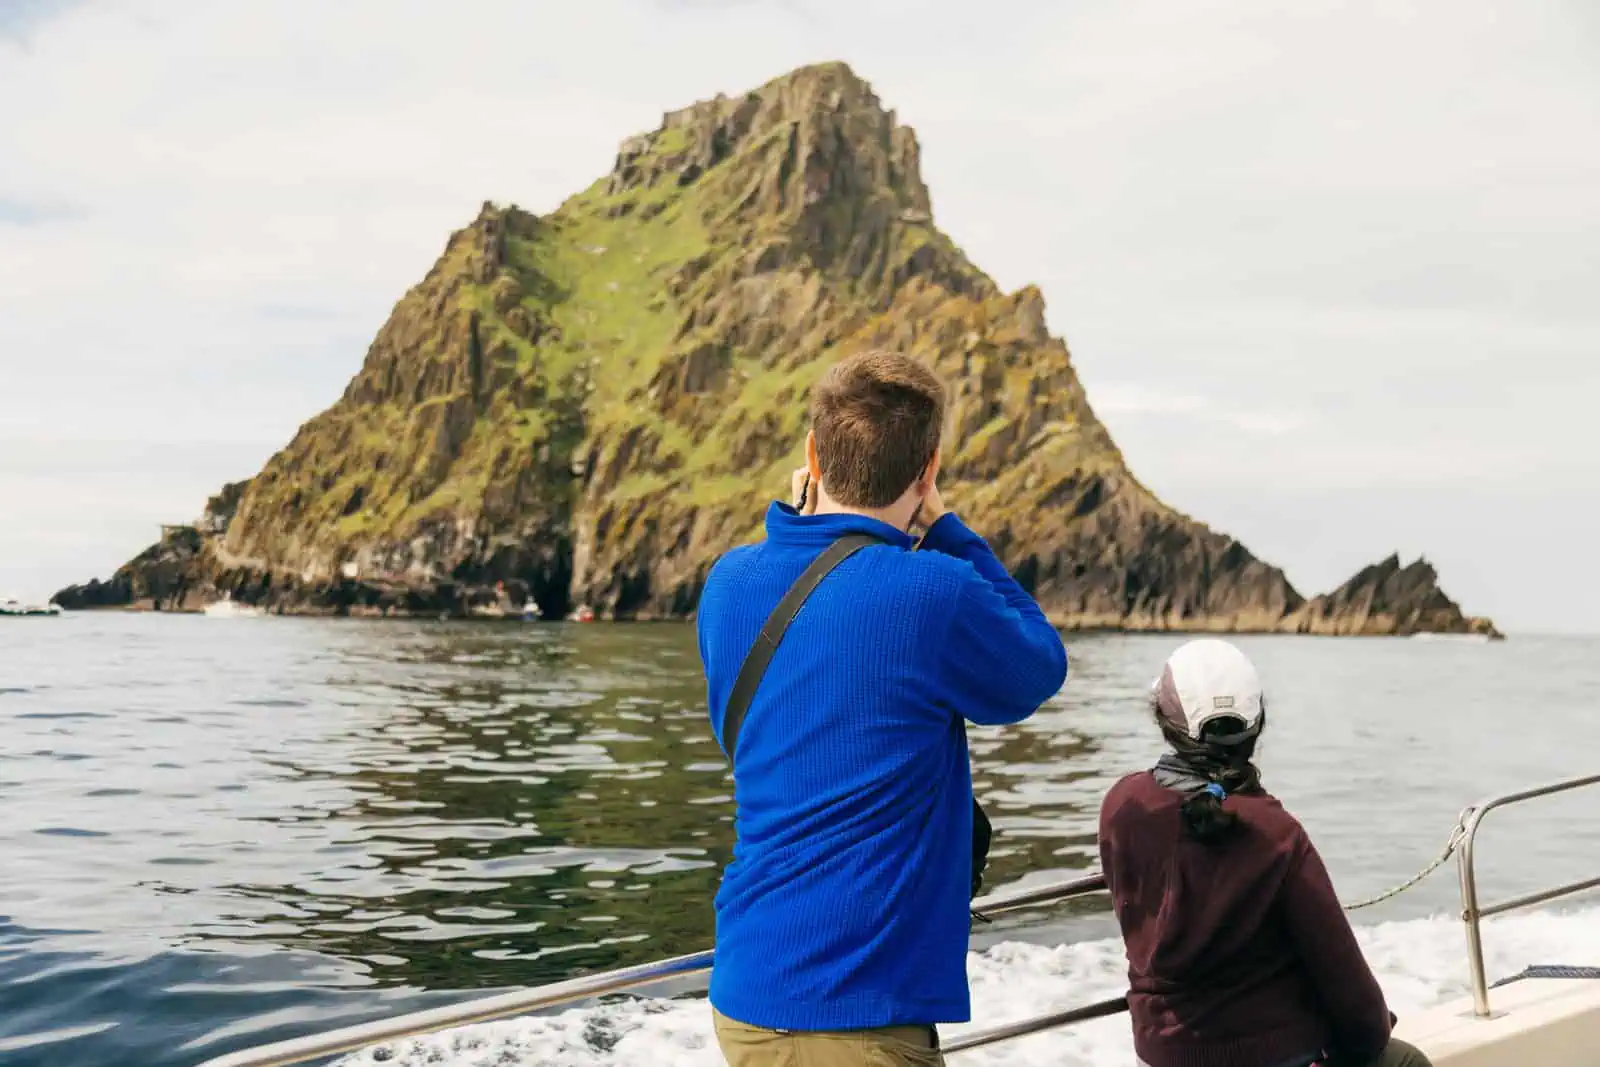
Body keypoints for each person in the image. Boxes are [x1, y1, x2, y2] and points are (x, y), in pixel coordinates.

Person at [697, 348, 1069, 1067]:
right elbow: (1038, 663)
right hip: (860, 1014)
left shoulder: (727, 583)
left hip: (744, 995)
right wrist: (950, 529)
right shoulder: (934, 590)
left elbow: (745, 733)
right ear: (926, 470)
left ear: (813, 451)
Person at [1098, 639, 1432, 1067]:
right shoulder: (1276, 832)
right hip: (1273, 1054)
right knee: (1407, 1062)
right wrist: (1366, 1036)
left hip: (1158, 1051)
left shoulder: (1120, 805)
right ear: (1257, 728)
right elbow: (1350, 988)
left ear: (1163, 722)